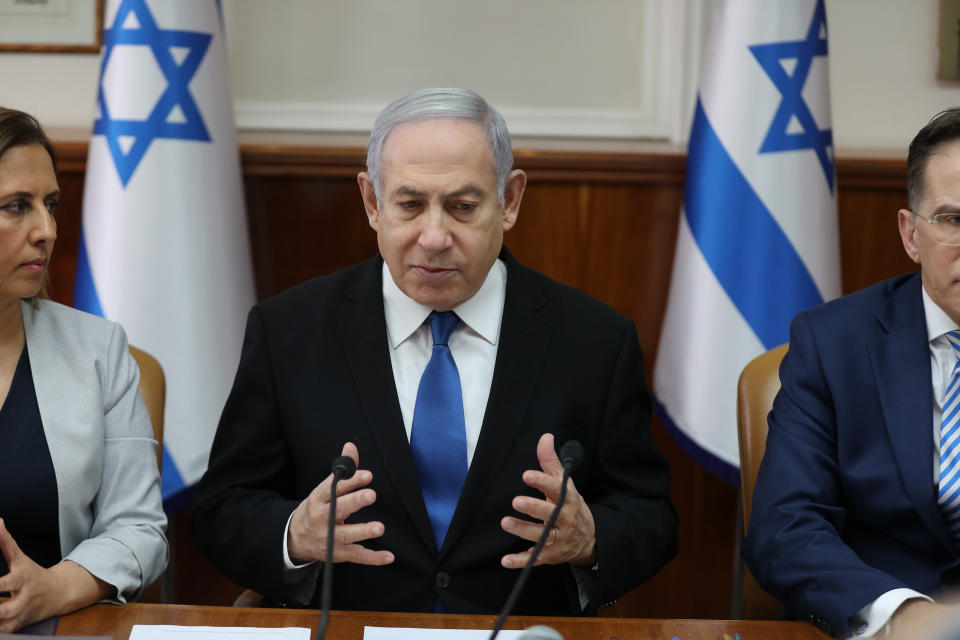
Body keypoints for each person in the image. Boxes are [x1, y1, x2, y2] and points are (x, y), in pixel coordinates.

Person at [194, 87, 677, 615]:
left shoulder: (594, 340)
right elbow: (223, 508)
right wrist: (294, 534)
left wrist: (592, 538)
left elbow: (650, 515)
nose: (434, 237)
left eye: (463, 207)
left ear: (509, 201)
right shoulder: (289, 330)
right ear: (372, 203)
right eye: (410, 204)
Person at [742, 108, 960, 639]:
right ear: (911, 235)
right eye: (954, 220)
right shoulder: (832, 343)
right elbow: (786, 526)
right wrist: (901, 616)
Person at [0, 108, 168, 632]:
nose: (46, 230)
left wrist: (55, 588)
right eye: (16, 207)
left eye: (50, 205)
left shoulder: (98, 350)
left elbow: (139, 528)